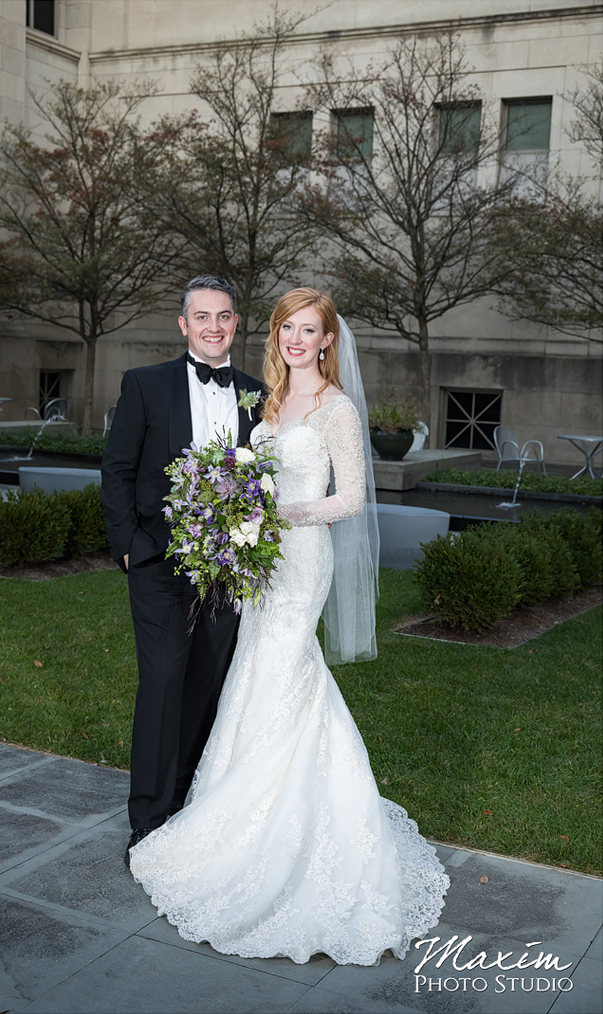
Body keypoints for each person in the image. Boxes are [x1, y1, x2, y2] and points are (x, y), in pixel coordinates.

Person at [128, 288, 449, 965]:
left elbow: (353, 498)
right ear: (274, 336)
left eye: (308, 331)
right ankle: (231, 811)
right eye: (286, 329)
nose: (296, 340)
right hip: (259, 560)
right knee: (251, 673)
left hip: (298, 560)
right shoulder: (267, 404)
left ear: (328, 340)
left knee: (284, 669)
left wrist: (280, 518)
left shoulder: (335, 407)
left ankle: (284, 828)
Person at [100, 276, 265, 865]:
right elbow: (116, 469)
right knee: (164, 686)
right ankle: (147, 824)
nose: (213, 327)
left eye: (223, 316)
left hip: (229, 571)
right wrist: (128, 546)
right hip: (159, 565)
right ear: (183, 324)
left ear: (236, 323)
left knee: (205, 689)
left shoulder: (256, 394)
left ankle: (186, 806)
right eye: (202, 317)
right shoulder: (144, 385)